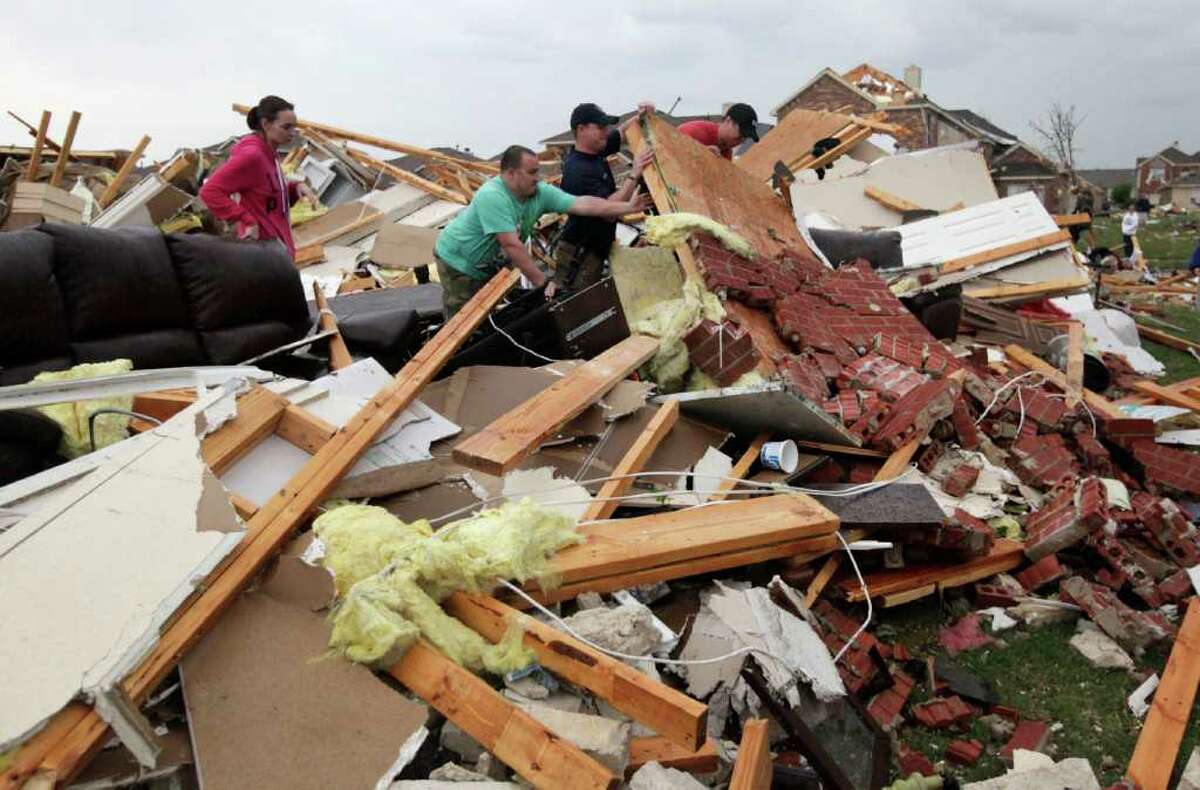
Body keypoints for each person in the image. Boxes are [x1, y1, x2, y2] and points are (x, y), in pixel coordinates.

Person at [433, 145, 650, 318]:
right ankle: (449, 368)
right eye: (532, 172)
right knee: (462, 321)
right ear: (510, 174)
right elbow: (511, 245)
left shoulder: (538, 193)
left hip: (486, 263)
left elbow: (583, 204)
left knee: (490, 316)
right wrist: (542, 283)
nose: (537, 177)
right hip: (458, 259)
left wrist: (627, 207)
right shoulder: (493, 195)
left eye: (538, 171)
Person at [199, 95, 317, 259]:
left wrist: (295, 188)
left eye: (294, 127)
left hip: (280, 253)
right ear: (266, 124)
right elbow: (209, 191)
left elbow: (270, 203)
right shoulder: (252, 156)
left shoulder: (271, 153)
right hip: (263, 256)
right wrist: (246, 219)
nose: (292, 133)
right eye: (286, 127)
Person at [554, 101, 656, 292]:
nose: (606, 131)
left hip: (596, 248)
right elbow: (608, 210)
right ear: (581, 129)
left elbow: (622, 132)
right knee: (577, 306)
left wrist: (641, 115)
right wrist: (634, 173)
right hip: (580, 255)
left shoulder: (595, 149)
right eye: (600, 127)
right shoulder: (577, 170)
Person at [677, 103, 760, 160]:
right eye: (741, 134)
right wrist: (700, 153)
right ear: (728, 121)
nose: (741, 141)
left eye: (745, 138)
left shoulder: (726, 153)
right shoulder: (692, 132)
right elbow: (667, 153)